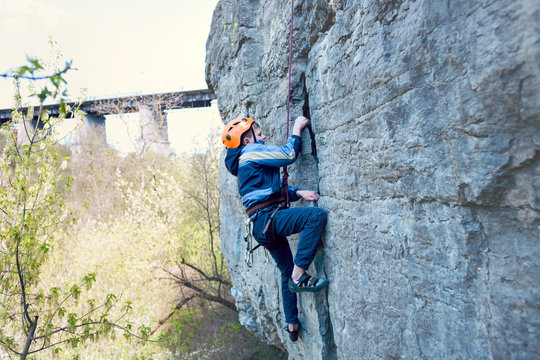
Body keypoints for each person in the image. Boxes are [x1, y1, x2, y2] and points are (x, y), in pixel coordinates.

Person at [222, 116, 328, 341]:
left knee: (285, 270)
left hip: (262, 226)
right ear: (246, 140)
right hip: (269, 219)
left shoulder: (244, 162)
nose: (264, 137)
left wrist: (297, 193)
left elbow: (266, 192)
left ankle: (291, 323)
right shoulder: (249, 153)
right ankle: (300, 277)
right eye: (259, 134)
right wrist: (297, 128)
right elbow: (288, 155)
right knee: (315, 217)